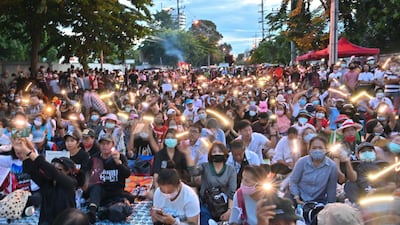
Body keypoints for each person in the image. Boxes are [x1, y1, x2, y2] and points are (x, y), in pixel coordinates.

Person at [11, 138, 77, 225]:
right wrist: (24, 155)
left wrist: (29, 152)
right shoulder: (48, 183)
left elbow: (52, 171)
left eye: (59, 169)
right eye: (54, 167)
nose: (56, 171)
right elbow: (32, 171)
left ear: (68, 171)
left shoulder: (70, 183)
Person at [184, 142, 237, 225]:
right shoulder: (205, 166)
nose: (217, 153)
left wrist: (229, 210)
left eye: (220, 151)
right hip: (206, 204)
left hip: (224, 206)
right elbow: (193, 172)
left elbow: (232, 191)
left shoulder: (231, 170)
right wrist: (195, 155)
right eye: (214, 152)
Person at [228, 165, 299, 225]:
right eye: (242, 179)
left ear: (258, 184)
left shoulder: (274, 196)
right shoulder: (239, 195)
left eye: (247, 181)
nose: (242, 183)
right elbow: (234, 221)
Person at [86, 133, 132, 224]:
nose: (105, 146)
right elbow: (87, 174)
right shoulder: (94, 158)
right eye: (103, 144)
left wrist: (118, 163)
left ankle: (106, 212)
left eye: (108, 143)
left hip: (116, 190)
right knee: (96, 187)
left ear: (112, 145)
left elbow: (127, 174)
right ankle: (92, 211)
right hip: (100, 190)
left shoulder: (120, 157)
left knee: (125, 204)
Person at [289, 136, 338, 204]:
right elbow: (293, 181)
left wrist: (330, 205)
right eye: (314, 148)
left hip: (318, 200)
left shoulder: (332, 166)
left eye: (320, 148)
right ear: (309, 150)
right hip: (299, 197)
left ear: (326, 150)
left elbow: (331, 189)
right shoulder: (302, 162)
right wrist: (297, 198)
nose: (317, 150)